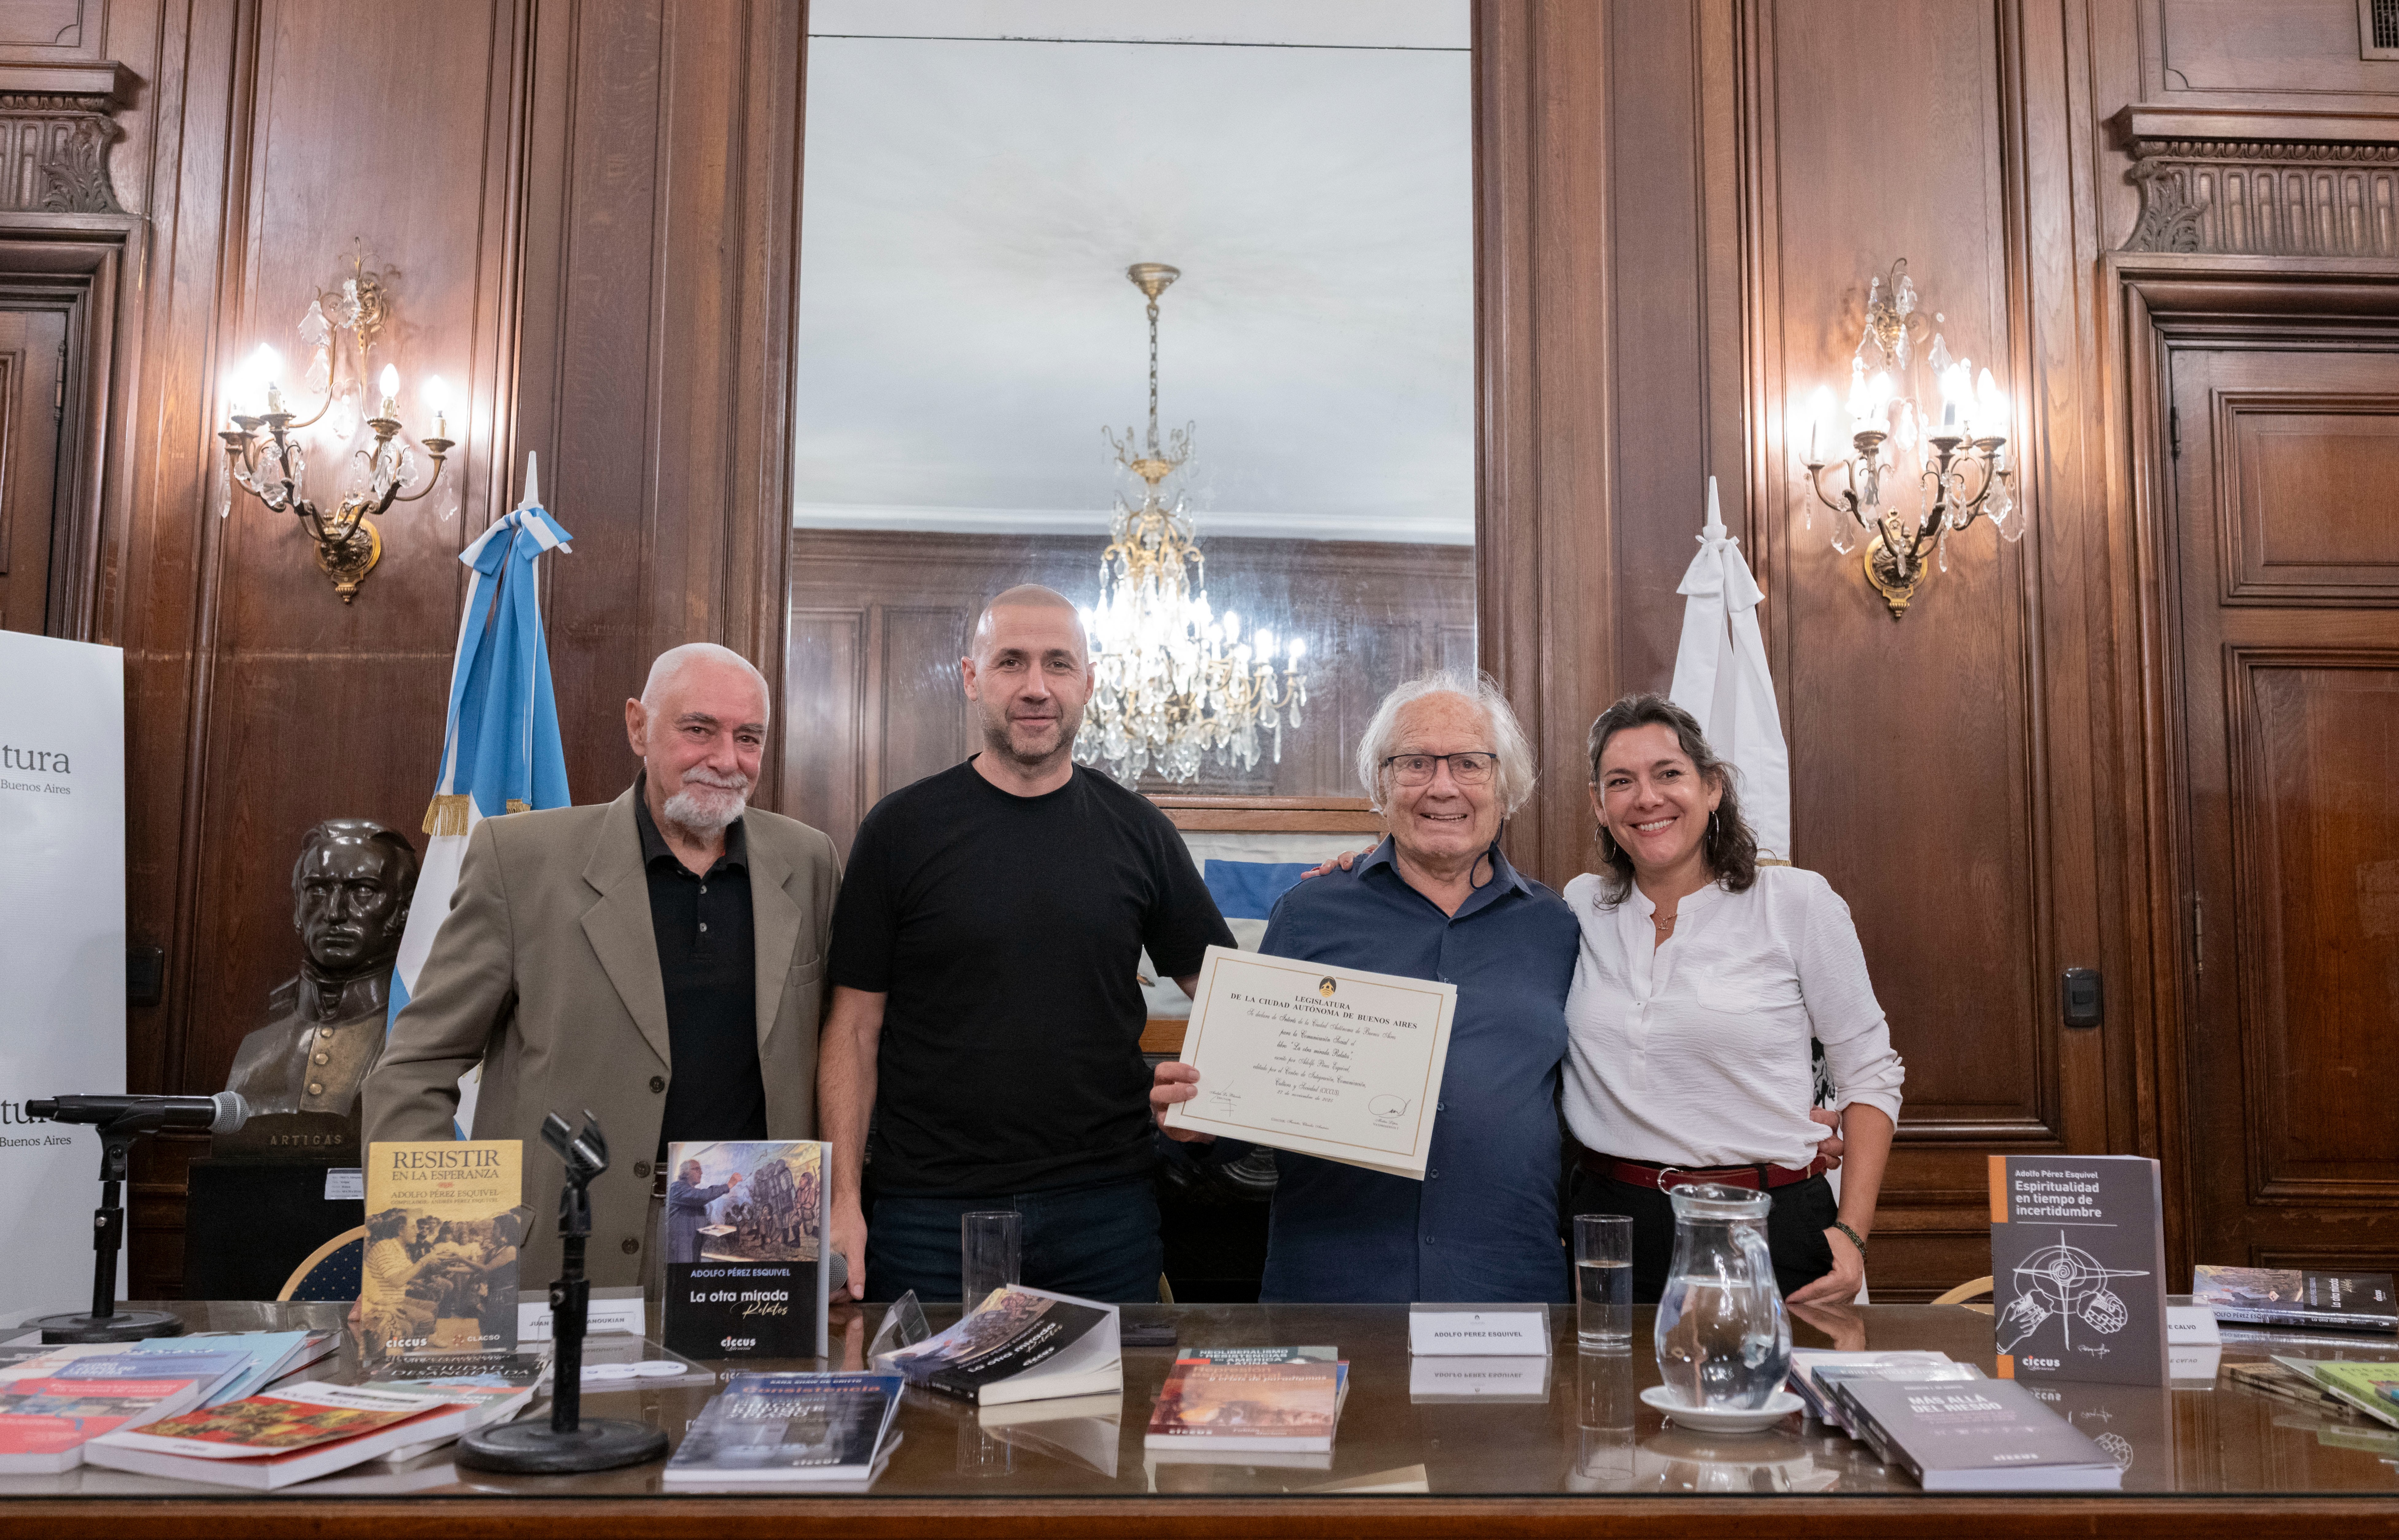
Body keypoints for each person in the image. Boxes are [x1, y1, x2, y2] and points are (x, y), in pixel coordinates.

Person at [362, 643, 841, 1290]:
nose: (726, 760)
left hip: (749, 1255)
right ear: (638, 726)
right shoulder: (523, 861)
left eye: (748, 737)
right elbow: (415, 1068)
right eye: (698, 729)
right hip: (561, 1250)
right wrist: (426, 1252)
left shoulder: (810, 862)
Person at [819, 585, 1235, 1303]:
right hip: (925, 1214)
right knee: (926, 1418)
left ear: (1088, 683)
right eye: (1011, 662)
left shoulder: (1139, 832)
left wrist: (1214, 1099)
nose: (1036, 687)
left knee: (1101, 1416)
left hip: (1102, 1212)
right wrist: (841, 1200)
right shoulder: (899, 829)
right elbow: (853, 1028)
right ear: (971, 676)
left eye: (1057, 664)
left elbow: (1233, 1002)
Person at [1149, 672, 1580, 1303]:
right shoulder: (1308, 913)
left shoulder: (1558, 928)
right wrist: (1198, 1121)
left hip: (1506, 1286)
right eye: (1413, 763)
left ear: (1504, 787)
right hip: (1332, 1286)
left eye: (1468, 762)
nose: (1441, 785)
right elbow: (1243, 1111)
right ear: (1380, 785)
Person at [1564, 693, 1902, 1305]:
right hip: (1613, 1228)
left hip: (1766, 1226)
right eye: (1620, 781)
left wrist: (1851, 1232)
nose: (1646, 797)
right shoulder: (1579, 907)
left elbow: (1870, 1075)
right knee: (1606, 1404)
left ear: (1712, 786)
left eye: (1668, 773)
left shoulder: (1794, 903)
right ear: (1598, 804)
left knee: (1779, 1403)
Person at [219, 818, 420, 1154]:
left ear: (403, 909)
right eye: (318, 890)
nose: (334, 912)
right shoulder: (256, 1050)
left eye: (363, 890)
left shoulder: (419, 1041)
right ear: (298, 906)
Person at [666, 1158, 741, 1264]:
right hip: (682, 1247)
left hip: (692, 1245)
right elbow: (701, 1197)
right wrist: (728, 1186)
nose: (701, 1173)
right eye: (697, 1169)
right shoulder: (676, 1188)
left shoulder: (688, 1191)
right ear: (685, 1173)